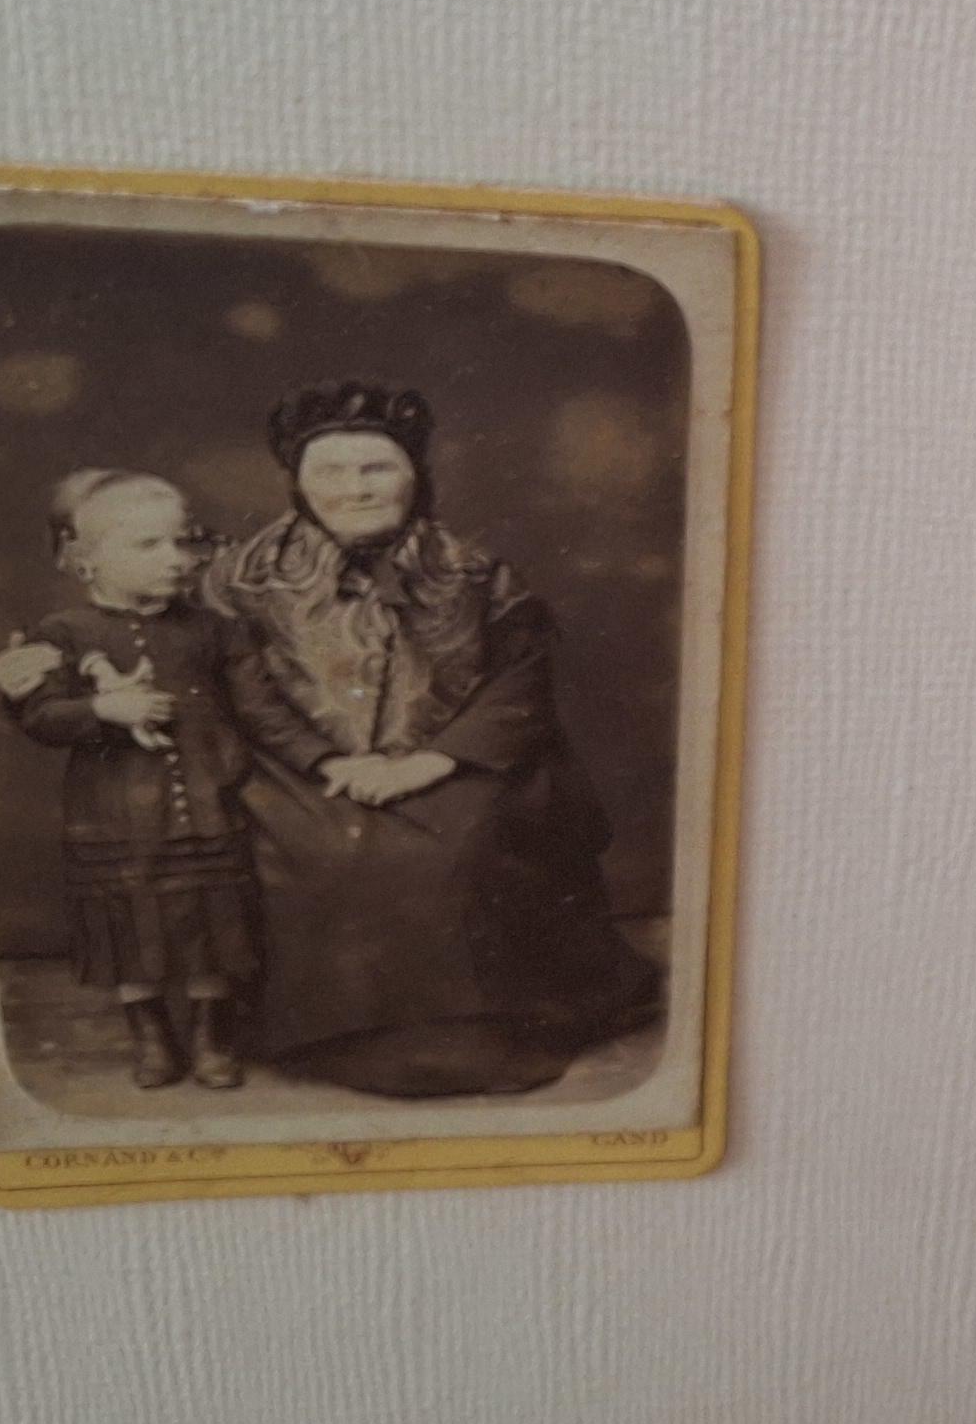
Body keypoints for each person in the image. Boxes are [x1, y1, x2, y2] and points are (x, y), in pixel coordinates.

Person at [213, 381, 663, 1098]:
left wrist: (430, 761)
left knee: (468, 838)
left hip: (454, 758)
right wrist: (325, 760)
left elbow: (519, 682)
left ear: (415, 476)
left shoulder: (475, 573)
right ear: (297, 481)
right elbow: (243, 688)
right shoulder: (243, 578)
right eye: (331, 471)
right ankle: (334, 1036)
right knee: (324, 846)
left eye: (377, 468)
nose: (355, 488)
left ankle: (480, 1037)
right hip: (298, 767)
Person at [0, 471, 262, 1093]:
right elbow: (40, 717)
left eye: (183, 542)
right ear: (86, 560)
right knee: (126, 920)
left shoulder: (215, 629)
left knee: (211, 914)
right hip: (112, 806)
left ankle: (211, 1035)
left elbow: (259, 709)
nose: (176, 559)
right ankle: (151, 1035)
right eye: (148, 545)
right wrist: (102, 709)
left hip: (206, 798)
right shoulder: (60, 633)